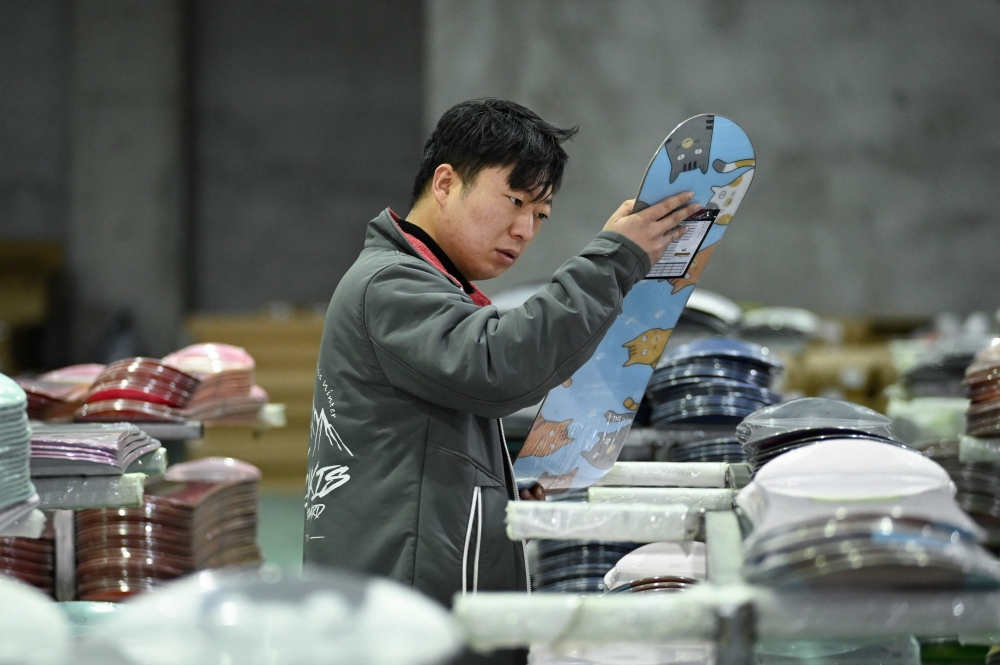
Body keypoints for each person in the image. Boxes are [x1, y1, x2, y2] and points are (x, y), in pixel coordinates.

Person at [303, 98, 698, 606]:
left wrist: (502, 480)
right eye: (515, 201)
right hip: (404, 614)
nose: (525, 230)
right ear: (445, 184)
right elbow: (497, 366)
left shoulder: (426, 287)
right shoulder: (390, 285)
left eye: (541, 215)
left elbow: (428, 439)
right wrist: (615, 260)